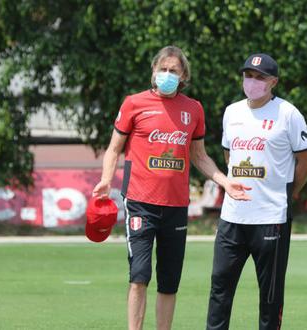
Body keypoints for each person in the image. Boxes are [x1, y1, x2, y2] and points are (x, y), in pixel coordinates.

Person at [92, 45, 251, 330]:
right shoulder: (134, 103)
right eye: (162, 69)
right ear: (153, 72)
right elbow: (114, 149)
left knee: (169, 281)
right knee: (139, 276)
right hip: (140, 202)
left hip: (177, 206)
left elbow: (200, 156)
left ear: (184, 76)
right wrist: (106, 179)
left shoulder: (194, 109)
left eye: (173, 71)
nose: (167, 74)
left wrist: (225, 181)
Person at [206, 53, 307, 330]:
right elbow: (229, 155)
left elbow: (306, 161)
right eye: (248, 76)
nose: (252, 82)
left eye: (260, 77)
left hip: (271, 218)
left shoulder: (288, 114)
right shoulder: (232, 112)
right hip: (232, 217)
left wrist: (287, 194)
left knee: (270, 297)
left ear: (273, 82)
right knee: (220, 288)